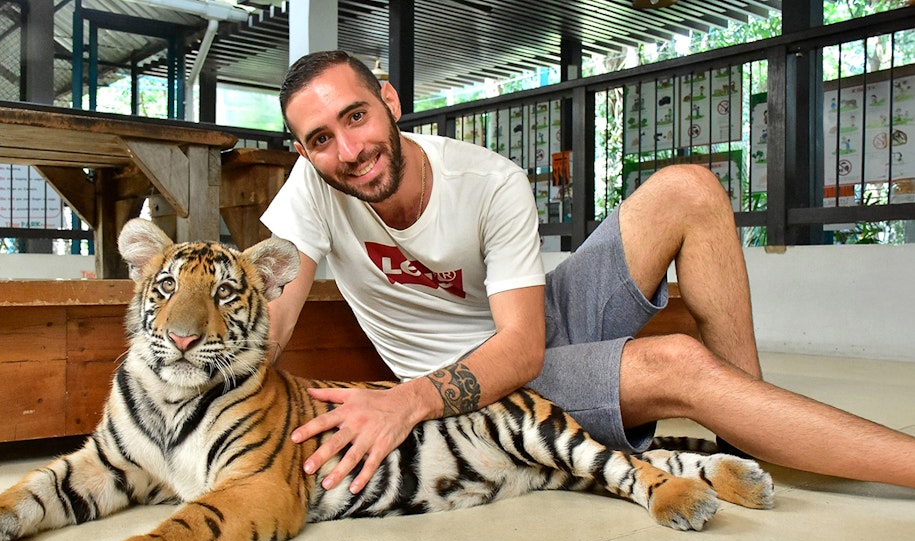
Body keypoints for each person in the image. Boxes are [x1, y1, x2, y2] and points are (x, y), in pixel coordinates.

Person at [260, 50, 915, 495]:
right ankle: (787, 440)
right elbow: (275, 315)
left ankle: (745, 436)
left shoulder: (487, 180)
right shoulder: (311, 190)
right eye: (319, 139)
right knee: (677, 362)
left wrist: (405, 402)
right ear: (302, 150)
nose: (348, 150)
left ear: (388, 101)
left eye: (356, 116)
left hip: (520, 340)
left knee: (687, 187)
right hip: (475, 387)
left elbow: (519, 344)